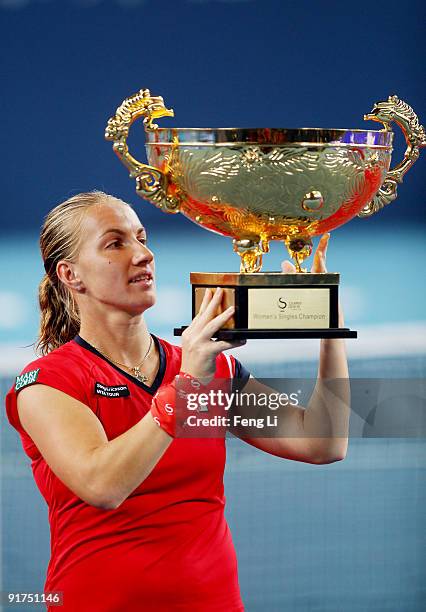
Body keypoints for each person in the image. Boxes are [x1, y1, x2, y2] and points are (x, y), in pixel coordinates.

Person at [5, 190, 349, 611]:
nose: (143, 254)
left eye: (142, 237)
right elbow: (104, 485)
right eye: (116, 243)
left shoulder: (207, 369)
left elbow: (322, 442)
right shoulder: (48, 383)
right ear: (71, 275)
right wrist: (186, 386)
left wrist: (329, 328)